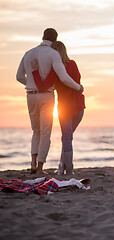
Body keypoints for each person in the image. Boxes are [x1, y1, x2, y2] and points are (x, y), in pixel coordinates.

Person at [16, 28, 83, 174]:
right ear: (55, 39)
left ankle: (33, 163)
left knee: (36, 131)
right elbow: (64, 77)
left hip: (31, 94)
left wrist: (31, 83)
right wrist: (78, 87)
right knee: (49, 133)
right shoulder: (54, 55)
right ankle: (43, 168)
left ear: (42, 37)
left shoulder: (28, 53)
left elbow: (19, 76)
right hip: (52, 97)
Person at [31, 41, 85, 175]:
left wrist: (35, 71)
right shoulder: (73, 63)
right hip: (79, 106)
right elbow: (77, 81)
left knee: (66, 138)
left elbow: (42, 87)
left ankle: (69, 170)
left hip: (65, 108)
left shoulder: (55, 70)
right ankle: (62, 166)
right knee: (67, 137)